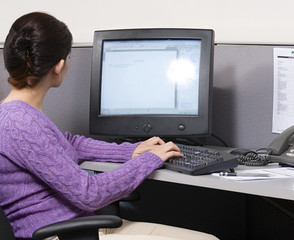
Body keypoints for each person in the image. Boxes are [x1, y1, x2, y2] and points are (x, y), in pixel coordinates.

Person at [0, 12, 218, 240]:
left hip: (81, 226)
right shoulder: (19, 123)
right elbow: (88, 193)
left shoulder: (15, 112)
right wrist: (150, 159)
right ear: (59, 66)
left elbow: (68, 143)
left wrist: (130, 151)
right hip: (65, 235)